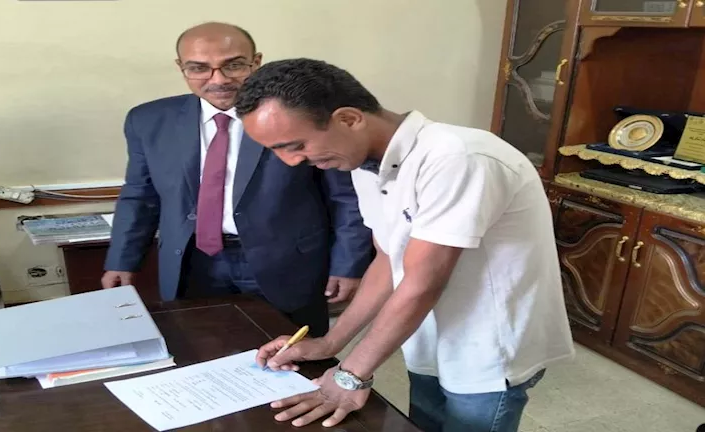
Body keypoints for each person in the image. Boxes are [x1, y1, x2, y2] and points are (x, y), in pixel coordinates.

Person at [234, 58, 576, 431]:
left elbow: (421, 282)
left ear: (349, 119)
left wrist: (351, 375)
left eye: (296, 145)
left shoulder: (458, 157)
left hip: (487, 350)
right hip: (427, 337)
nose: (291, 161)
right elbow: (388, 259)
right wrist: (330, 343)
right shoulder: (363, 163)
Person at [102, 25, 373, 337]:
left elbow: (346, 197)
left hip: (287, 262)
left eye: (233, 65)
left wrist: (348, 264)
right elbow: (140, 195)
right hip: (192, 262)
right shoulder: (148, 120)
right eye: (199, 68)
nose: (218, 80)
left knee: (293, 352)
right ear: (181, 68)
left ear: (255, 62)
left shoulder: (302, 113)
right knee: (199, 348)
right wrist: (122, 260)